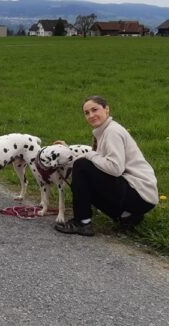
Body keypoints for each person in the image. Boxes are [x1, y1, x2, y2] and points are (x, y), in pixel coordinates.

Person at [54, 96, 158, 236]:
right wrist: (68, 151)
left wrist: (89, 156)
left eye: (95, 110)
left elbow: (115, 169)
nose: (91, 115)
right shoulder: (105, 131)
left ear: (106, 109)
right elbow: (99, 162)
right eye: (87, 113)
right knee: (82, 176)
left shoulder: (112, 132)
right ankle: (127, 217)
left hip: (139, 192)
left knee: (82, 167)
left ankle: (82, 222)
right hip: (140, 196)